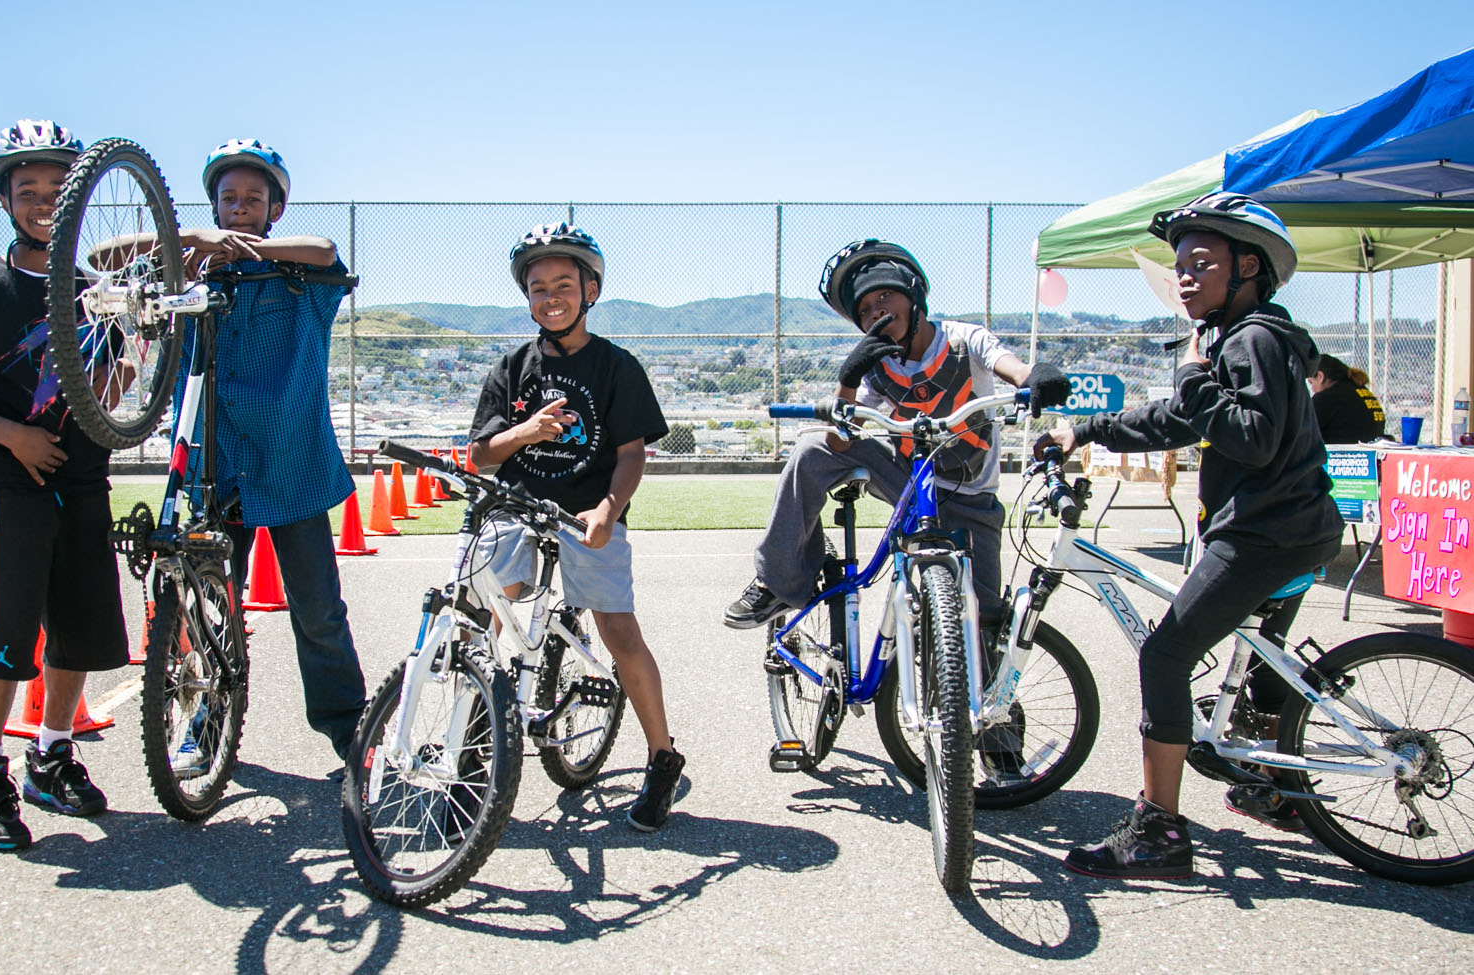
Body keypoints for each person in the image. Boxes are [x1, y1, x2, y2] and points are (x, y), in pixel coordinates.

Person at [1035, 192, 1342, 879]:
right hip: (1295, 527)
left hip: (1265, 533)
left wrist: (1192, 378)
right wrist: (1085, 430)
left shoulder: (1252, 339)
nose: (1183, 276)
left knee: (1166, 655)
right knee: (1261, 660)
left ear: (1249, 268)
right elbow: (1177, 419)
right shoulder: (1244, 338)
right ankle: (1276, 786)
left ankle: (1159, 832)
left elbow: (1252, 438)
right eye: (1179, 265)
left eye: (1201, 262)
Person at [0, 120, 129, 850]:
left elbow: (112, 381)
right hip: (8, 475)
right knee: (10, 625)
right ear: (5, 201)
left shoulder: (97, 291)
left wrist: (128, 358)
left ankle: (52, 753)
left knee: (80, 623)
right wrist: (12, 435)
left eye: (57, 189)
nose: (43, 201)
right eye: (27, 189)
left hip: (83, 475)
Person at [723, 239, 1067, 631]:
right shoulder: (878, 365)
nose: (876, 311)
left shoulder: (963, 339)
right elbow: (839, 442)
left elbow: (1012, 367)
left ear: (913, 295)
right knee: (812, 448)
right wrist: (850, 377)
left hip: (970, 499)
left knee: (983, 627)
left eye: (885, 296)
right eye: (865, 309)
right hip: (908, 481)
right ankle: (779, 581)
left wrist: (1035, 376)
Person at [469, 222, 684, 832]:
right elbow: (480, 454)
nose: (551, 297)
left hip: (589, 511)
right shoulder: (512, 368)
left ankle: (662, 757)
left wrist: (607, 511)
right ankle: (471, 750)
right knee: (485, 616)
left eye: (564, 284)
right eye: (538, 288)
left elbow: (632, 453)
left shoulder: (616, 367)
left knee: (618, 629)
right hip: (517, 508)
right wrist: (526, 431)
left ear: (590, 290)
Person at [170, 139, 366, 775]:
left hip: (292, 465)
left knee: (318, 611)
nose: (239, 208)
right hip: (216, 468)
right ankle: (207, 722)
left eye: (253, 199)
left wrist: (247, 250)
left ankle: (349, 729)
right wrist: (193, 240)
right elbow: (101, 256)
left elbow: (326, 250)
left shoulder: (301, 280)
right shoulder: (188, 278)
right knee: (212, 611)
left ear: (275, 209)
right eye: (228, 199)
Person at [1309, 354, 1386, 443]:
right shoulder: (1362, 391)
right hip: (1371, 449)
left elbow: (1301, 432)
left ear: (1320, 377)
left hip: (1343, 450)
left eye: (1311, 382)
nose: (1312, 389)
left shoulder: (1327, 398)